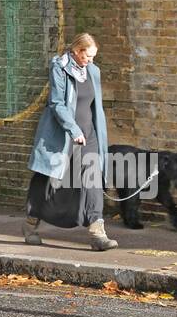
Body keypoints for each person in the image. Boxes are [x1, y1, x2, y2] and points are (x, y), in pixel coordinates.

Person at [22, 33, 117, 251]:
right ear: (76, 51)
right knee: (47, 180)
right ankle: (30, 224)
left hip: (89, 134)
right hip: (62, 134)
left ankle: (97, 232)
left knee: (92, 179)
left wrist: (92, 133)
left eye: (93, 57)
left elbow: (95, 107)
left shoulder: (93, 71)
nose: (90, 61)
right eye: (87, 56)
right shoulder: (60, 67)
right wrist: (73, 129)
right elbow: (57, 103)